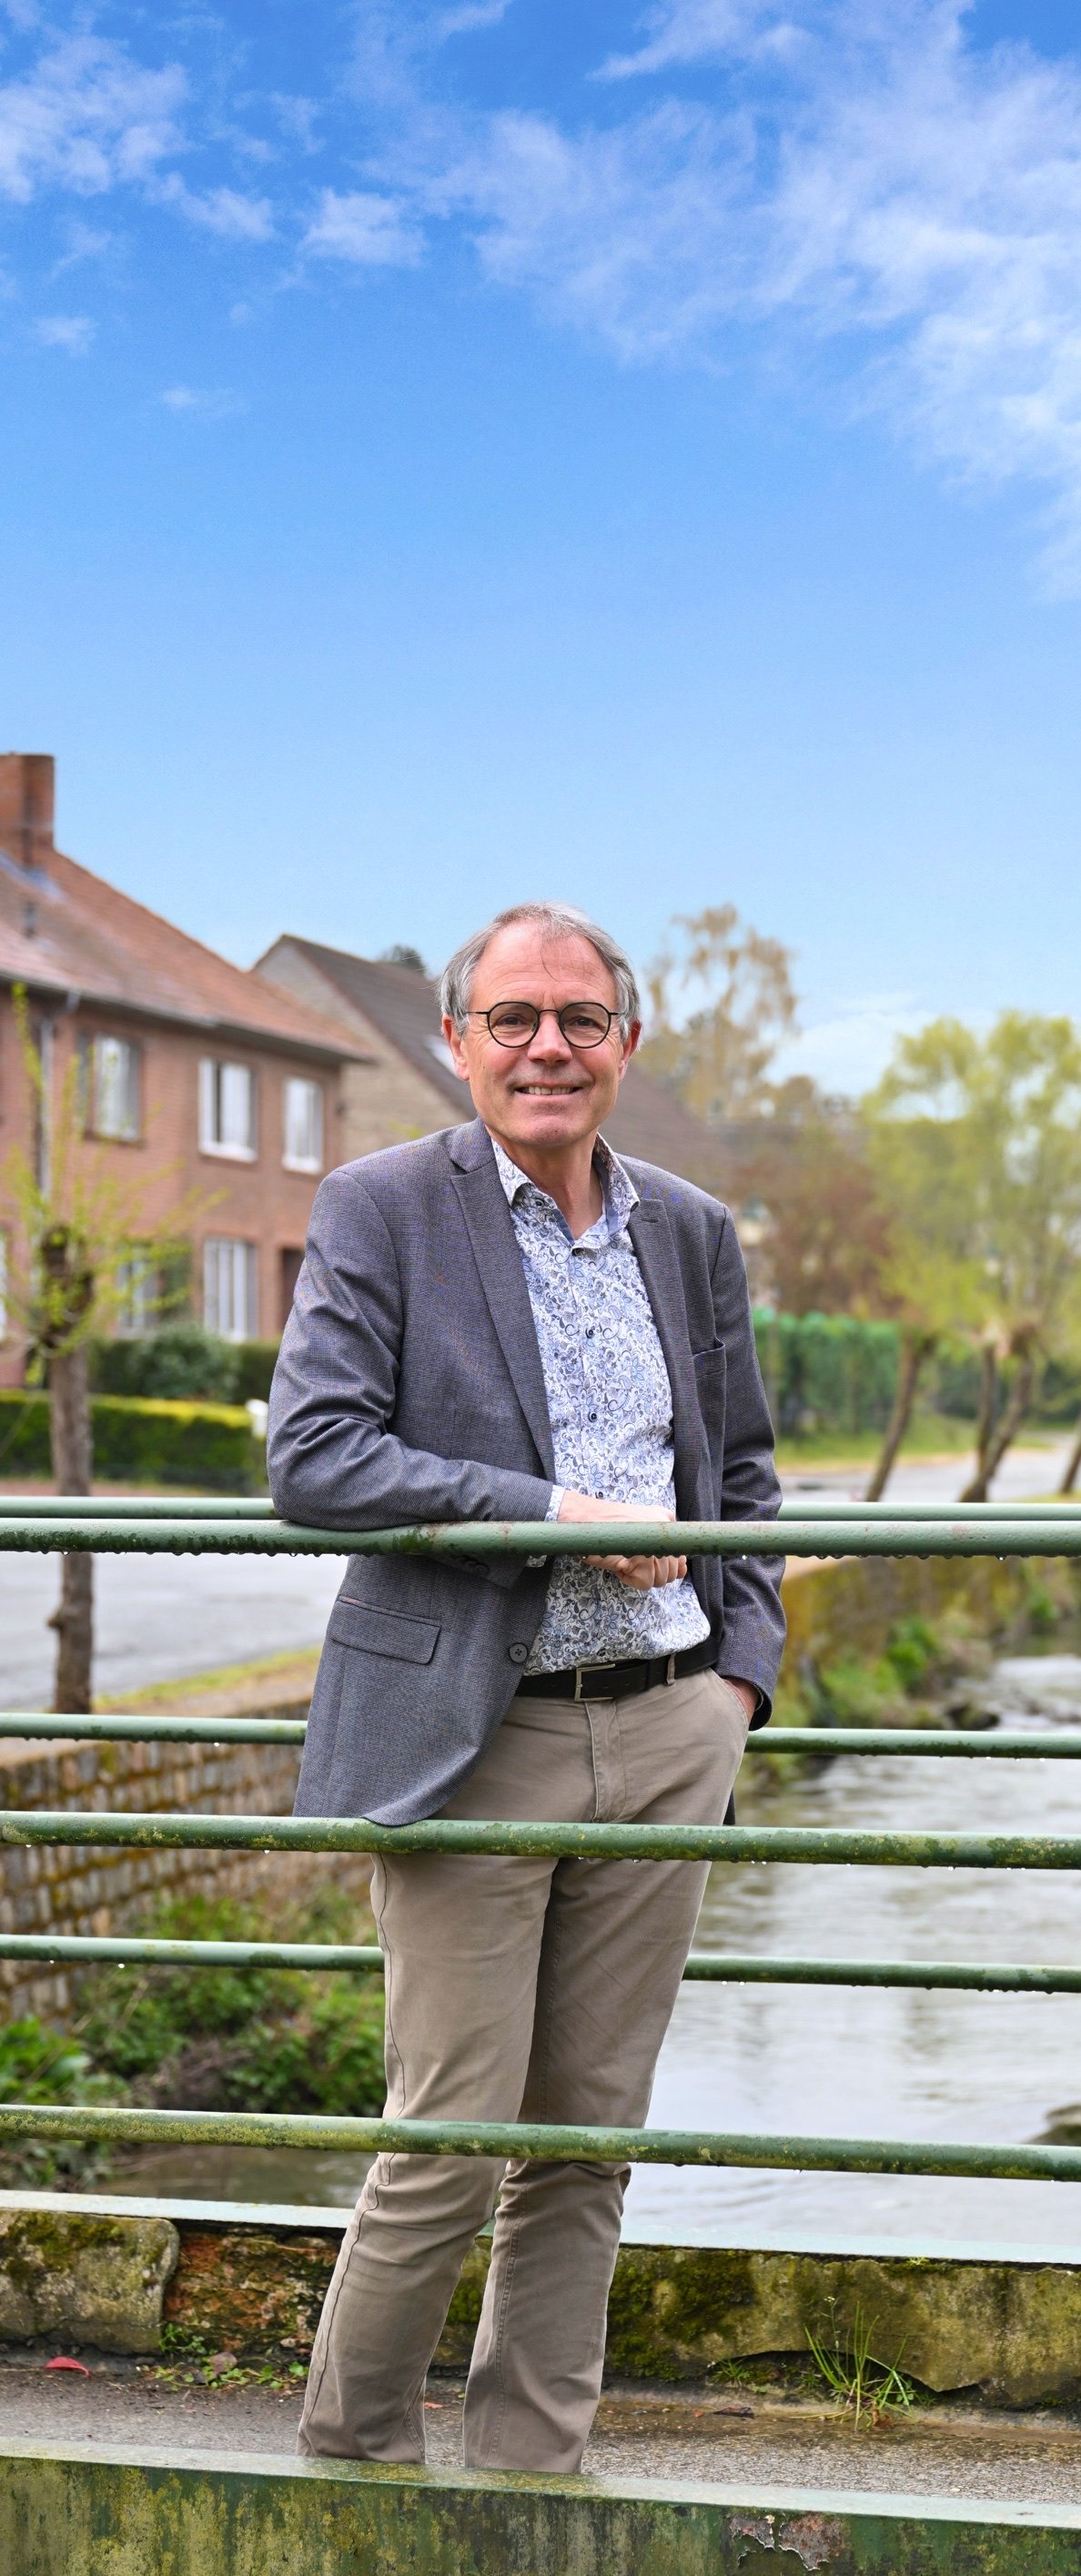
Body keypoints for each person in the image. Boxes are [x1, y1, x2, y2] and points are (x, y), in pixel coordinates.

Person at [269, 897, 783, 2473]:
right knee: (447, 2136)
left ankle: (532, 2473)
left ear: (626, 1041)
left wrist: (738, 1682)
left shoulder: (688, 1228)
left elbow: (745, 1475)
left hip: (669, 1722)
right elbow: (317, 1456)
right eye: (513, 1020)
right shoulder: (381, 1208)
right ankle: (350, 2462)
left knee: (582, 2144)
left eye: (578, 1018)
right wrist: (560, 1515)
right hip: (466, 1736)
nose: (546, 1046)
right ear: (457, 1042)